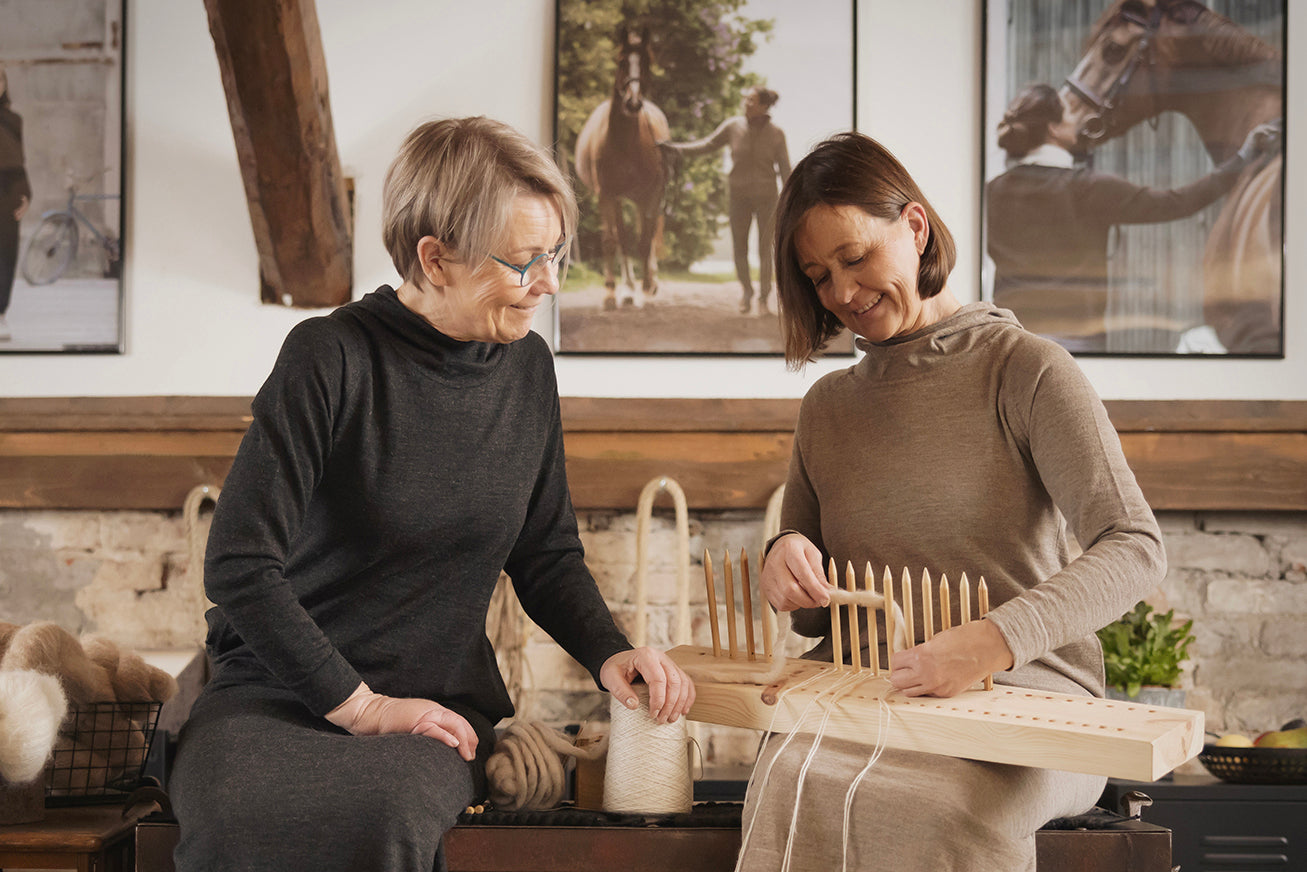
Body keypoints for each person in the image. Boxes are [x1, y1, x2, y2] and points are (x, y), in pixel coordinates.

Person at [169, 116, 695, 872]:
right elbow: (240, 566)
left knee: (384, 815)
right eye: (525, 261)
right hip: (279, 696)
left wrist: (608, 654)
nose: (549, 283)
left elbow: (544, 552)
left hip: (433, 704)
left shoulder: (526, 370)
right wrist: (361, 708)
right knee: (243, 819)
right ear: (435, 258)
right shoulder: (330, 358)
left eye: (556, 254)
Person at [750, 131, 1167, 871]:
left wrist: (989, 641)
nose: (841, 294)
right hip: (863, 693)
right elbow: (816, 613)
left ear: (914, 228)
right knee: (782, 783)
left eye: (854, 258)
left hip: (1029, 695)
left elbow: (1133, 547)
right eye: (818, 277)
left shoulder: (1026, 370)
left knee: (936, 810)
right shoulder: (827, 407)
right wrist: (786, 558)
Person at [986, 83, 1279, 352]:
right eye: (1070, 113)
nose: (1078, 119)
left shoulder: (991, 192)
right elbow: (1177, 202)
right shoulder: (1090, 187)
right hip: (1075, 343)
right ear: (1053, 128)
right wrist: (1243, 157)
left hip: (1009, 339)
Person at [660, 86, 790, 315]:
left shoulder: (777, 134)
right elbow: (707, 144)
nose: (746, 103)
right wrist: (676, 149)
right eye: (746, 99)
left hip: (767, 198)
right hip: (738, 196)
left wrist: (793, 201)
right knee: (739, 247)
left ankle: (763, 299)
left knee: (765, 249)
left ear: (763, 106)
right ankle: (747, 293)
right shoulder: (733, 126)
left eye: (751, 100)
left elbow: (785, 170)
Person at [0, 62, 31, 342]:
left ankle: (0, 315)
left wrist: (26, 196)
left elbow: (20, 163)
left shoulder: (14, 120)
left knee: (6, 256)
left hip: (9, 192)